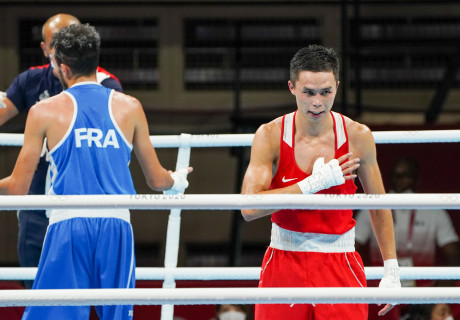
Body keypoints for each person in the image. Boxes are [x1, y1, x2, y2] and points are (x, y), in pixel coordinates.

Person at [0, 23, 191, 319]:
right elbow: (156, 180)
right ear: (95, 60)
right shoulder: (130, 107)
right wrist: (177, 180)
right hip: (117, 227)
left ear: (63, 68)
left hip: (68, 225)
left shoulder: (44, 111)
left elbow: (16, 188)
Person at [240, 44, 400, 320]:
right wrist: (312, 184)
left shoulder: (358, 136)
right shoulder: (270, 135)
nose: (317, 102)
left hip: (340, 262)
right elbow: (250, 209)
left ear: (337, 86)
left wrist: (392, 270)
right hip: (284, 260)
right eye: (308, 92)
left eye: (326, 92)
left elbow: (379, 206)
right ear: (291, 87)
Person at [0, 13, 123, 289]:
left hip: (86, 208)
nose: (67, 46)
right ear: (46, 49)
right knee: (37, 291)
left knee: (86, 295)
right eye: (58, 42)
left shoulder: (108, 88)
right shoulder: (31, 82)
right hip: (36, 206)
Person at [356, 156, 460, 285]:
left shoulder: (434, 210)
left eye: (406, 176)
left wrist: (440, 294)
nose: (400, 180)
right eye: (395, 175)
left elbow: (454, 255)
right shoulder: (373, 207)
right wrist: (361, 283)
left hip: (423, 290)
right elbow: (351, 248)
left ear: (417, 180)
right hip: (383, 286)